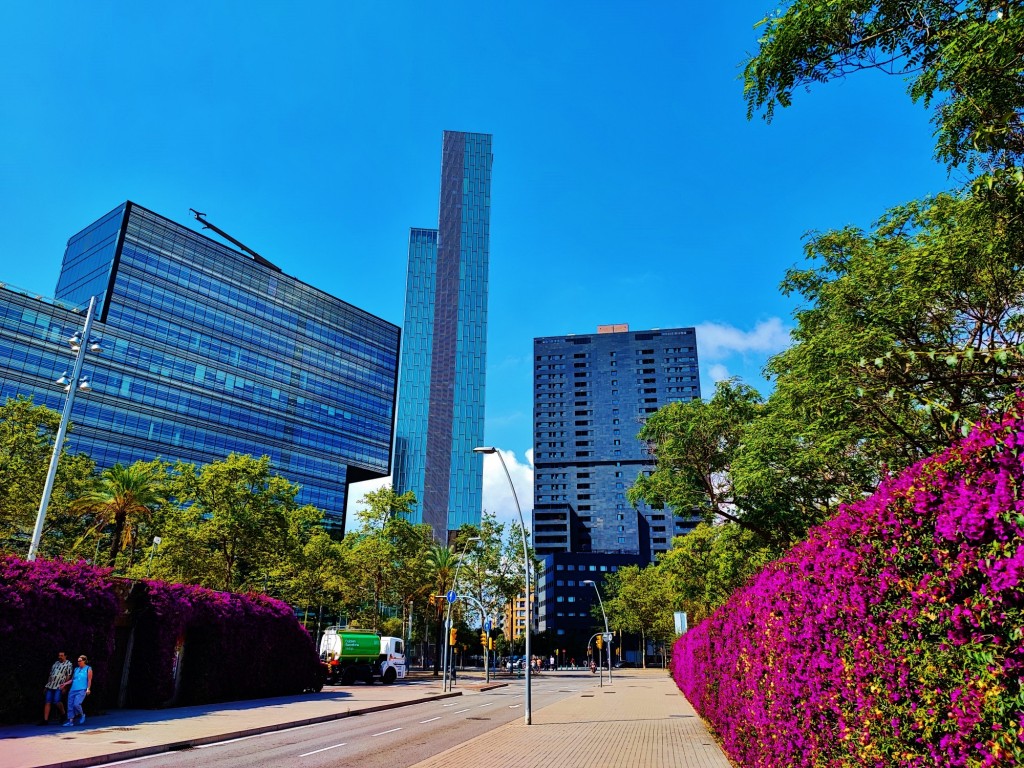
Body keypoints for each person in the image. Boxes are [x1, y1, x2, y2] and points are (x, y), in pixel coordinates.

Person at [41, 651, 73, 725]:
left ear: (65, 656)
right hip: (50, 685)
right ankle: (45, 720)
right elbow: (51, 674)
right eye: (59, 655)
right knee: (47, 701)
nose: (60, 657)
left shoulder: (69, 664)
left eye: (61, 655)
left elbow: (68, 676)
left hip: (59, 685)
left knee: (56, 701)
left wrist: (65, 686)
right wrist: (46, 685)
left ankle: (63, 714)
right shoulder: (56, 663)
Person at [64, 655, 93, 727]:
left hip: (82, 689)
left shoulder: (88, 669)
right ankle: (70, 721)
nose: (78, 662)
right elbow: (72, 679)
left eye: (80, 661)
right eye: (78, 661)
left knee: (76, 704)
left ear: (84, 661)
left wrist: (88, 689)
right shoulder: (76, 669)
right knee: (70, 705)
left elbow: (89, 680)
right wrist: (65, 684)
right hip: (73, 689)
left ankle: (82, 715)